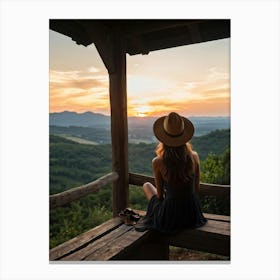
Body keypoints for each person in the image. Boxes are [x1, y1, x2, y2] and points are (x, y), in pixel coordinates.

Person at [135, 112, 207, 233]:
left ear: (163, 138)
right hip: (192, 213)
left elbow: (159, 195)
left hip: (170, 215)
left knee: (147, 185)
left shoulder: (157, 161)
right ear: (184, 136)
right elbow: (196, 188)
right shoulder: (194, 157)